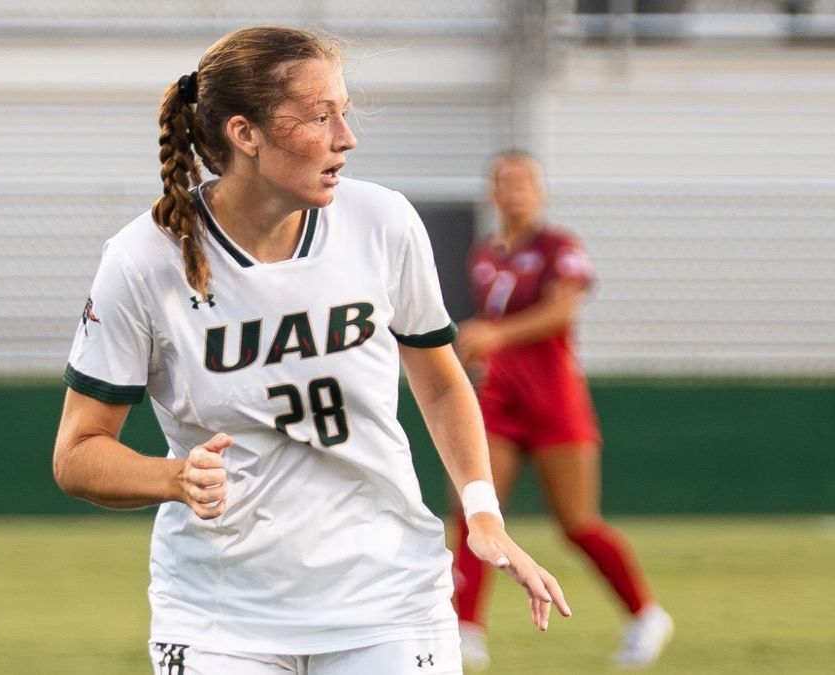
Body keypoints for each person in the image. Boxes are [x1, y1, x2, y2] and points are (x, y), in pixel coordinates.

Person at [52, 25, 572, 675]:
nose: (346, 138)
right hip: (217, 616)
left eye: (344, 113)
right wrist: (173, 478)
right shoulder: (141, 260)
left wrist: (482, 513)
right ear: (246, 134)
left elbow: (440, 384)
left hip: (389, 602)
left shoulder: (383, 222)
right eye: (320, 117)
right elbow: (77, 453)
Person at [450, 150, 674, 670]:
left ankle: (645, 614)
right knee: (474, 509)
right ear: (492, 192)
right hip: (499, 401)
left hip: (554, 402)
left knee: (577, 522)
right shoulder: (485, 255)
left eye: (524, 181)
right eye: (504, 181)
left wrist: (494, 334)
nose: (514, 191)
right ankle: (466, 630)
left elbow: (559, 312)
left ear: (541, 190)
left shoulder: (559, 247)